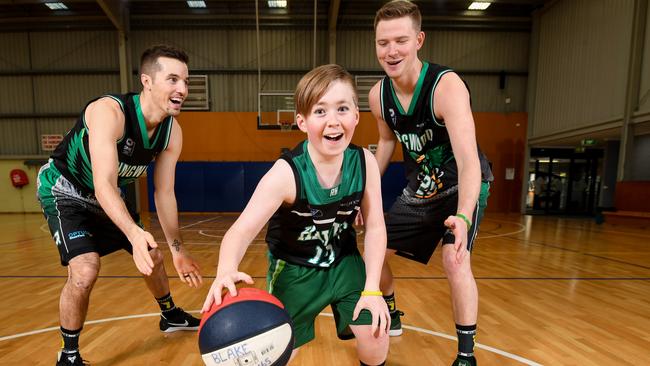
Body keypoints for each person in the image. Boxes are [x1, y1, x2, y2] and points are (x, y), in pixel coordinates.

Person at [202, 64, 390, 366]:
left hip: (344, 263)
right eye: (320, 111)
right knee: (279, 353)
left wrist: (372, 288)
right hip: (294, 271)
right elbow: (240, 231)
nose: (333, 121)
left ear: (356, 115)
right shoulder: (285, 174)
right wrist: (226, 269)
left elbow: (377, 227)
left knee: (376, 336)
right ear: (301, 121)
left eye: (342, 108)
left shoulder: (364, 162)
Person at [37, 44, 203, 366]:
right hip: (66, 190)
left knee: (153, 254)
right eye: (172, 79)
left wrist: (178, 249)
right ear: (147, 81)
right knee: (85, 271)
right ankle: (68, 356)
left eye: (186, 81)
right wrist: (132, 232)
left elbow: (164, 193)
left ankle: (170, 315)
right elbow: (103, 183)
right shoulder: (109, 112)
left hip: (109, 196)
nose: (182, 89)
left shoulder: (171, 132)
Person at [369, 2, 493, 366]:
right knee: (373, 253)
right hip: (421, 188)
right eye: (382, 43)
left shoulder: (446, 86)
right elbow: (387, 143)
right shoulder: (379, 95)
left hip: (462, 187)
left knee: (455, 261)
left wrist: (464, 217)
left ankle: (466, 355)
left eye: (401, 41)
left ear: (419, 40)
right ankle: (390, 311)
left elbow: (470, 162)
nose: (391, 51)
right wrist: (366, 198)